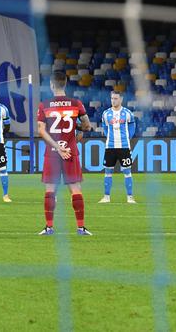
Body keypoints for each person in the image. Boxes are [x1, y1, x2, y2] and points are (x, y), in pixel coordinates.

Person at [37, 71, 93, 236]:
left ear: (52, 85)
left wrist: (57, 146)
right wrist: (76, 132)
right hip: (70, 151)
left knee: (50, 190)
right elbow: (87, 126)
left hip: (53, 153)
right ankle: (81, 228)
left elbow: (41, 130)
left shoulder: (44, 105)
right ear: (66, 84)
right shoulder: (76, 103)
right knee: (75, 188)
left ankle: (49, 227)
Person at [99, 91, 137, 204]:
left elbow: (132, 127)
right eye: (112, 98)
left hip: (124, 147)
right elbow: (105, 127)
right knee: (108, 172)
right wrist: (109, 137)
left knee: (127, 171)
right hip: (110, 147)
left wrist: (127, 138)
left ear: (121, 99)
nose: (113, 100)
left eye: (116, 98)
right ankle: (106, 197)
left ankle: (130, 197)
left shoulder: (127, 113)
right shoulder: (106, 113)